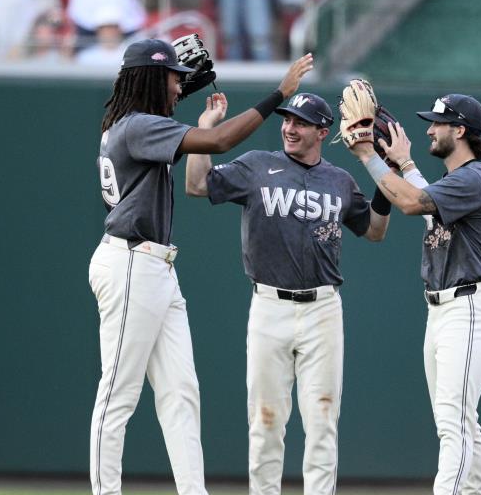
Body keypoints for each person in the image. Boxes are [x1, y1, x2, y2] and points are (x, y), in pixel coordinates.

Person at [88, 38, 313, 495]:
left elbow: (177, 117)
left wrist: (192, 104)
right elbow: (220, 140)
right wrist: (279, 94)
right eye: (174, 78)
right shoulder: (136, 128)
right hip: (133, 263)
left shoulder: (129, 123)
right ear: (153, 81)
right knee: (118, 395)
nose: (180, 85)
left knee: (181, 393)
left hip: (153, 267)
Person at [184, 92, 391, 494]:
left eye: (300, 122)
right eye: (286, 120)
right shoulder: (257, 165)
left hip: (323, 310)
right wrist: (205, 129)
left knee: (322, 422)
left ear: (322, 131)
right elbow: (196, 184)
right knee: (265, 422)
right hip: (269, 305)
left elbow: (375, 230)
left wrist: (388, 171)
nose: (289, 128)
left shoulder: (340, 181)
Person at [346, 93, 481, 495]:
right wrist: (405, 163)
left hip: (468, 307)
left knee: (455, 422)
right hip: (443, 311)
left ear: (460, 130)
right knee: (460, 422)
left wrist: (369, 156)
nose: (430, 130)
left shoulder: (476, 177)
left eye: (438, 123)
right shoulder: (458, 182)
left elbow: (414, 203)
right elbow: (430, 201)